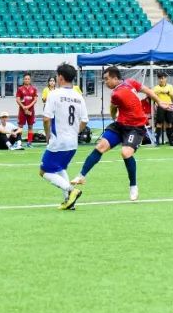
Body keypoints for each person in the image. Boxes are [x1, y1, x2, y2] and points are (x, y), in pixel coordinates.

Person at [71, 67, 160, 204]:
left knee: (125, 153)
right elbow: (114, 108)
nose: (105, 82)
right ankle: (81, 175)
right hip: (120, 126)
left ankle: (133, 186)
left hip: (135, 128)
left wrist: (159, 102)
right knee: (101, 146)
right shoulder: (121, 89)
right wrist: (115, 118)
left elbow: (147, 91)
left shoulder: (125, 87)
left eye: (106, 79)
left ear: (114, 78)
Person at [39, 64, 88, 208]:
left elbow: (46, 118)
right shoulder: (79, 97)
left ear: (60, 77)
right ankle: (69, 202)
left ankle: (71, 190)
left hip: (58, 141)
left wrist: (48, 135)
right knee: (60, 168)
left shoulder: (54, 94)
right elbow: (84, 120)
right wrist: (75, 133)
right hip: (72, 143)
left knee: (43, 172)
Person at [152, 72, 173, 146]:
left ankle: (171, 141)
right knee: (159, 123)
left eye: (163, 78)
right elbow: (153, 95)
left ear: (166, 78)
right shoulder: (155, 88)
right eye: (160, 78)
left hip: (169, 106)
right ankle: (157, 141)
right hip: (160, 106)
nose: (161, 80)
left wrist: (168, 93)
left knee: (169, 123)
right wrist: (163, 91)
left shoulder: (170, 87)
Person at [15, 73, 38, 148]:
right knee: (20, 126)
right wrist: (23, 106)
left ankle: (29, 142)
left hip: (31, 111)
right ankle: (19, 142)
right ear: (23, 80)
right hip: (22, 111)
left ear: (30, 80)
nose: (27, 80)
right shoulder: (20, 89)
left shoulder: (33, 89)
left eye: (28, 79)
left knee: (30, 126)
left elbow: (35, 99)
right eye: (25, 79)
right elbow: (17, 99)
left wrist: (28, 106)